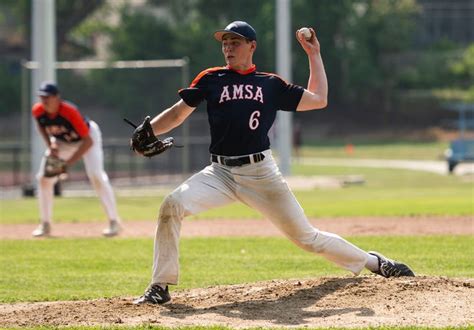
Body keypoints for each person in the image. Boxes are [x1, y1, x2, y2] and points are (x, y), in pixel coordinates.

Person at [133, 21, 414, 305]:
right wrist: (151, 131)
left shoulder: (269, 84)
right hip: (219, 173)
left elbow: (319, 99)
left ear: (252, 47)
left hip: (260, 173)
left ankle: (375, 262)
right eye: (225, 42)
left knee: (307, 238)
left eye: (236, 42)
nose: (228, 47)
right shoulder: (211, 78)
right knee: (172, 204)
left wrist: (313, 54)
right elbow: (178, 113)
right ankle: (160, 286)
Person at [31, 81, 121, 237]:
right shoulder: (38, 111)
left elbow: (88, 142)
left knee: (95, 175)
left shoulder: (69, 112)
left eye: (48, 97)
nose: (44, 100)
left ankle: (114, 221)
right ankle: (45, 224)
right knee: (44, 179)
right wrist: (50, 144)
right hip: (62, 142)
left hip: (87, 137)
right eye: (42, 97)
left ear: (57, 98)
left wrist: (67, 164)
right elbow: (41, 126)